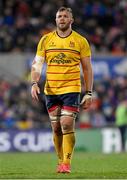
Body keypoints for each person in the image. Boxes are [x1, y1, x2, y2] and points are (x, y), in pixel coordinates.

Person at [31, 6, 93, 173]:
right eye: (59, 16)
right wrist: (34, 83)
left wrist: (88, 92)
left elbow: (87, 68)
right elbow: (37, 64)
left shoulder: (81, 41)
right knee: (56, 127)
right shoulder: (45, 40)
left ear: (71, 20)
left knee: (66, 124)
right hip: (51, 90)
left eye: (65, 16)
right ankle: (60, 160)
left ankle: (66, 163)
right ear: (55, 20)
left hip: (71, 88)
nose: (62, 19)